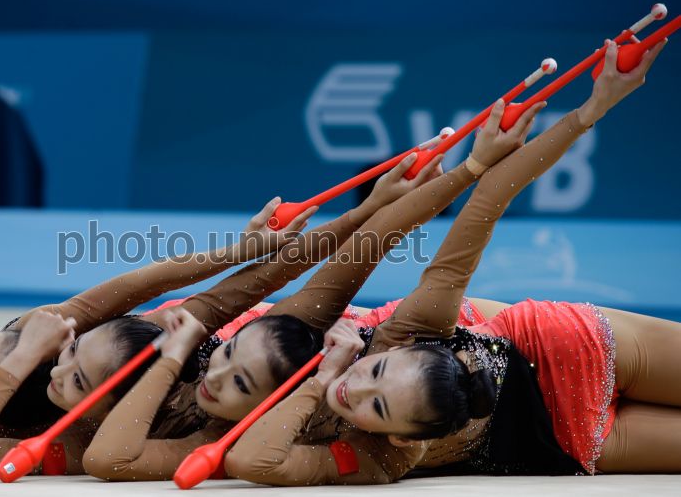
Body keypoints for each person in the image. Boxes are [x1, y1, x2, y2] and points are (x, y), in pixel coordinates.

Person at [226, 38, 676, 485]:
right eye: (378, 405)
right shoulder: (381, 456)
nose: (353, 387)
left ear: (397, 351)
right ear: (401, 438)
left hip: (561, 348)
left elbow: (486, 203)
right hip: (564, 441)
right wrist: (321, 380)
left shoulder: (407, 329)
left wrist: (592, 108)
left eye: (377, 370)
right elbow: (251, 460)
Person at [82, 90, 545, 481]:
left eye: (78, 365)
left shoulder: (226, 346)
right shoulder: (230, 423)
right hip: (443, 390)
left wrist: (464, 170)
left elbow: (345, 259)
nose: (214, 376)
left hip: (489, 346)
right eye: (76, 373)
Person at [0, 154, 442, 476]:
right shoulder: (67, 425)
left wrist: (244, 248)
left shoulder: (100, 339)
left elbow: (171, 285)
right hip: (288, 370)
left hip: (276, 340)